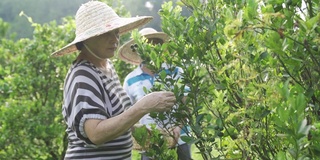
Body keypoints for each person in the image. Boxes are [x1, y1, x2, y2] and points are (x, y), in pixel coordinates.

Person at [51, 1, 176, 159]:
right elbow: (95, 133)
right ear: (87, 39)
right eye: (105, 33)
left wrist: (147, 134)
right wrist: (143, 107)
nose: (114, 39)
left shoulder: (106, 67)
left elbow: (114, 118)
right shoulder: (83, 75)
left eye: (116, 32)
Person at [118, 28, 192, 160]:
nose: (150, 48)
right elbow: (127, 112)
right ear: (137, 49)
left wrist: (178, 128)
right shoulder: (130, 80)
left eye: (154, 44)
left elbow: (186, 105)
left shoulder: (176, 71)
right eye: (145, 45)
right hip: (149, 143)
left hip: (180, 138)